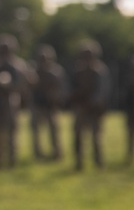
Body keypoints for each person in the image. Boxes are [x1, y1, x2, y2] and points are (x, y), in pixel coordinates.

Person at [0, 33, 35, 169]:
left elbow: (26, 83)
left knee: (12, 132)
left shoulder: (19, 65)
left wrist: (9, 86)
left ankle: (11, 160)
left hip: (11, 101)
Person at [69, 39, 111, 170]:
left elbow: (102, 90)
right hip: (81, 108)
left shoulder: (100, 70)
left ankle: (98, 161)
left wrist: (94, 102)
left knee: (96, 137)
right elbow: (72, 88)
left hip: (94, 109)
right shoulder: (78, 71)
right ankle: (79, 162)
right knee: (78, 135)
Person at [30, 44, 67, 161]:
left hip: (51, 105)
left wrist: (55, 97)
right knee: (35, 130)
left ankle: (56, 152)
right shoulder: (34, 71)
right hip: (37, 104)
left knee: (54, 129)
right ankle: (38, 153)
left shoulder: (56, 71)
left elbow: (62, 88)